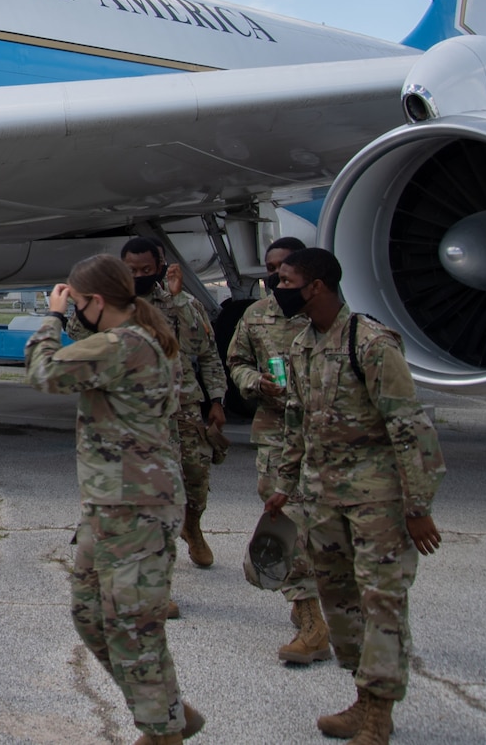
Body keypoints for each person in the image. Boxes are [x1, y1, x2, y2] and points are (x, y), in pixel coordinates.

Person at [267, 247, 444, 745]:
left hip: (377, 502)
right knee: (342, 604)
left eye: (285, 279)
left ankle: (380, 716)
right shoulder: (302, 344)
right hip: (324, 501)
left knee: (380, 603)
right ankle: (362, 700)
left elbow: (409, 427)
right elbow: (296, 421)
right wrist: (284, 486)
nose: (276, 288)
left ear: (316, 286)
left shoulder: (370, 343)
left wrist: (418, 508)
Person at [27, 254, 204, 745]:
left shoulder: (123, 344)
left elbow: (43, 372)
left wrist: (51, 316)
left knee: (133, 627)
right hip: (110, 507)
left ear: (97, 302)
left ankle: (161, 730)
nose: (75, 309)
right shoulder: (127, 341)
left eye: (79, 302)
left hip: (137, 509)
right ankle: (166, 708)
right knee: (89, 616)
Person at [225, 236, 330, 665]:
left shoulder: (331, 320)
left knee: (321, 527)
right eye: (269, 268)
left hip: (323, 438)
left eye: (283, 269)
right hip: (275, 432)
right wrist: (255, 383)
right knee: (285, 522)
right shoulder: (257, 316)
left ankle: (321, 610)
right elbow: (236, 362)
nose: (274, 277)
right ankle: (312, 622)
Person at [122, 237, 227, 570]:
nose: (138, 275)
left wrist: (216, 400)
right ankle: (153, 567)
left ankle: (192, 527)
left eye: (145, 269)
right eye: (131, 269)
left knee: (196, 476)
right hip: (135, 410)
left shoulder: (178, 301)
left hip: (182, 403)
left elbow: (203, 350)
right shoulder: (110, 304)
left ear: (160, 266)